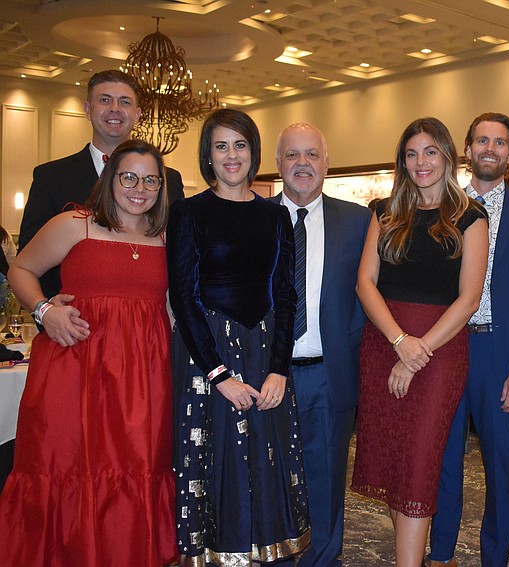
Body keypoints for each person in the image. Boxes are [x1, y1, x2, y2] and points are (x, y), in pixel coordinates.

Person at [0, 139, 176, 566]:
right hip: (73, 370)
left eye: (151, 179)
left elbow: (171, 307)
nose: (140, 187)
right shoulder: (73, 223)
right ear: (109, 178)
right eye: (129, 177)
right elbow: (20, 268)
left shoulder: (166, 236)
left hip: (141, 382)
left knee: (134, 469)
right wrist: (44, 311)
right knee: (63, 466)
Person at [168, 109, 309, 564]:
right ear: (208, 155)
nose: (232, 155)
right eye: (221, 146)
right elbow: (184, 299)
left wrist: (278, 370)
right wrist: (218, 375)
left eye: (241, 145)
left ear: (254, 152)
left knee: (267, 466)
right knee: (218, 464)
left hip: (264, 350)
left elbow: (287, 297)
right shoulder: (188, 212)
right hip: (207, 354)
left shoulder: (275, 216)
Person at [351, 117, 488, 567]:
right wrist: (398, 341)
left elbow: (468, 300)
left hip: (439, 351)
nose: (420, 162)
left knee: (419, 462)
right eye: (411, 153)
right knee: (394, 461)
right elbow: (365, 284)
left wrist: (415, 353)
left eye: (430, 152)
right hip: (383, 344)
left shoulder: (470, 215)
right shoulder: (384, 210)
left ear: (448, 156)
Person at [428, 112, 509, 567]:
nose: (490, 149)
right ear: (467, 148)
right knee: (442, 459)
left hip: (499, 354)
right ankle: (440, 553)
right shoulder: (439, 205)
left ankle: (494, 558)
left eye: (500, 143)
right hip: (444, 347)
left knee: (500, 466)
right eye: (482, 140)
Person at [269, 123, 371, 566]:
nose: (302, 164)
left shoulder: (360, 221)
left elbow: (372, 296)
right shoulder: (256, 217)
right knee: (270, 478)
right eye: (292, 155)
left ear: (327, 163)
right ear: (278, 164)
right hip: (268, 377)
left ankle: (324, 560)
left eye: (312, 155)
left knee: (326, 481)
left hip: (331, 375)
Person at [19, 69, 185, 299]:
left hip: (150, 319)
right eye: (105, 100)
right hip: (75, 323)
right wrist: (47, 311)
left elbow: (181, 257)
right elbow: (27, 258)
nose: (115, 108)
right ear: (88, 109)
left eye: (124, 102)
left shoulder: (170, 180)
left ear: (137, 114)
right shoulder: (51, 177)